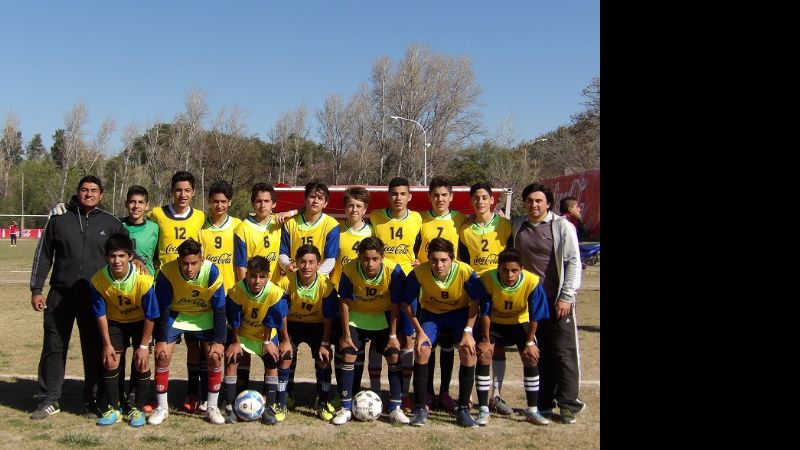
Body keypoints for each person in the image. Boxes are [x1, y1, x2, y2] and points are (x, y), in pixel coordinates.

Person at [29, 175, 131, 420]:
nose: (89, 194)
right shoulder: (59, 219)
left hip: (94, 296)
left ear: (101, 195)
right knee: (54, 347)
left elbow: (128, 251)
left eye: (94, 190)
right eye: (84, 190)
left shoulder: (111, 222)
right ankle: (49, 399)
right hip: (60, 295)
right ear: (78, 192)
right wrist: (36, 289)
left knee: (94, 348)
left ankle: (92, 399)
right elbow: (43, 256)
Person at [512, 183, 583, 424]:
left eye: (539, 201)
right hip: (532, 301)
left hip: (557, 299)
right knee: (539, 352)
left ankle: (568, 404)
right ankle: (543, 401)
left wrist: (567, 296)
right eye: (530, 200)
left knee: (563, 352)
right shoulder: (518, 225)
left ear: (548, 204)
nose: (534, 205)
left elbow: (573, 261)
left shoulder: (561, 226)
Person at [398, 238, 488, 428]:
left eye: (443, 260)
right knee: (422, 349)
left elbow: (476, 300)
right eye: (434, 260)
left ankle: (463, 409)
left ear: (452, 259)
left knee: (467, 349)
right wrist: (419, 331)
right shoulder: (419, 272)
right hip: (432, 314)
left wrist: (469, 331)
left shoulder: (464, 271)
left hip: (459, 313)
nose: (438, 265)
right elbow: (406, 302)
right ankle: (421, 408)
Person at [330, 237, 409, 425]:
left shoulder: (394, 270)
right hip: (357, 318)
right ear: (359, 257)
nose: (370, 263)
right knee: (348, 353)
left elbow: (396, 303)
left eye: (375, 259)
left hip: (382, 317)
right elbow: (345, 302)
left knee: (393, 354)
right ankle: (346, 408)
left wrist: (393, 335)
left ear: (382, 257)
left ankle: (395, 408)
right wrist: (346, 335)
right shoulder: (349, 270)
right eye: (365, 259)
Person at [148, 238, 227, 425]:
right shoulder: (167, 272)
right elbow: (164, 308)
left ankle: (212, 407)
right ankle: (162, 407)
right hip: (176, 314)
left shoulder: (212, 271)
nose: (189, 268)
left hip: (203, 314)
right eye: (185, 263)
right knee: (161, 355)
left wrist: (219, 341)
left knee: (215, 356)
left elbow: (220, 308)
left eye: (194, 263)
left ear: (202, 259)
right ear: (178, 261)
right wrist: (160, 339)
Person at [148, 171, 208, 414]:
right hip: (165, 293)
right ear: (171, 191)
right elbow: (132, 221)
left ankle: (193, 394)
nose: (182, 194)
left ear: (193, 192)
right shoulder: (157, 214)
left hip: (193, 295)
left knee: (195, 348)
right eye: (178, 190)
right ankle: (157, 396)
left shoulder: (201, 217)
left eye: (187, 190)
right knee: (163, 349)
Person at [277, 181, 340, 405]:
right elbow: (283, 252)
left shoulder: (331, 224)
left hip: (317, 289)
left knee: (323, 354)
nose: (315, 201)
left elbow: (331, 258)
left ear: (326, 202)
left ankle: (323, 397)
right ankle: (287, 395)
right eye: (311, 196)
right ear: (305, 199)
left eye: (320, 197)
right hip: (294, 285)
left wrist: (313, 275)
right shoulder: (291, 222)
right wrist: (290, 268)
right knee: (286, 352)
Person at [474, 248, 550, 426]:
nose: (510, 274)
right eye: (506, 270)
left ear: (521, 269)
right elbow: (484, 312)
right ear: (499, 268)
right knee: (484, 355)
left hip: (520, 322)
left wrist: (530, 342)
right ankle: (484, 409)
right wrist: (485, 340)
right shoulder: (487, 279)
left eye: (514, 270)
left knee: (531, 356)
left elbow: (535, 316)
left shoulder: (532, 282)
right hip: (494, 321)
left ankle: (532, 410)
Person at [90, 233, 159, 427]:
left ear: (130, 256)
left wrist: (144, 345)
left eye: (121, 256)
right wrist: (106, 344)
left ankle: (137, 408)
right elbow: (100, 314)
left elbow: (151, 315)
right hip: (115, 322)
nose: (117, 260)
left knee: (141, 361)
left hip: (140, 322)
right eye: (113, 256)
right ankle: (114, 408)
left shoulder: (143, 279)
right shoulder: (99, 280)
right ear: (106, 257)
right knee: (111, 360)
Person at [458, 182, 515, 415]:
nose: (480, 201)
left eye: (484, 197)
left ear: (492, 200)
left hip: (499, 291)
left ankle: (496, 395)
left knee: (496, 345)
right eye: (476, 198)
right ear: (471, 201)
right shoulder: (465, 229)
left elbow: (513, 258)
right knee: (472, 344)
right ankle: (470, 395)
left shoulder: (506, 225)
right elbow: (463, 261)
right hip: (474, 292)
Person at [414, 176, 467, 413]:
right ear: (430, 197)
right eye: (436, 195)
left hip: (454, 291)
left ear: (451, 197)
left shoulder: (461, 221)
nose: (440, 199)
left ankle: (444, 392)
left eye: (444, 195)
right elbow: (411, 249)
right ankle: (427, 393)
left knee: (448, 346)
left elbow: (465, 253)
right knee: (428, 345)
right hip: (428, 292)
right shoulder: (420, 220)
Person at [369, 177, 423, 409]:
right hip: (383, 284)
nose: (398, 198)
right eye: (394, 194)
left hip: (409, 283)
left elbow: (421, 247)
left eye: (403, 194)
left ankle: (403, 391)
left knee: (407, 336)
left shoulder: (418, 219)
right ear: (388, 196)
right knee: (378, 335)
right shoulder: (376, 218)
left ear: (409, 196)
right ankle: (373, 390)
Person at [223, 256, 290, 425]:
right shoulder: (236, 291)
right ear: (246, 274)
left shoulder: (275, 292)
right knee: (232, 359)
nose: (257, 281)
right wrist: (236, 342)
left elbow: (272, 319)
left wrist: (267, 342)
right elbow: (235, 320)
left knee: (272, 359)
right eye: (252, 276)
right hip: (243, 334)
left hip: (263, 335)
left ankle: (269, 407)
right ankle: (229, 405)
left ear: (267, 276)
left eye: (261, 276)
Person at [231, 183, 284, 397]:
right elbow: (241, 266)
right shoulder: (243, 228)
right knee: (244, 343)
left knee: (270, 345)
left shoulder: (281, 224)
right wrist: (250, 292)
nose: (262, 205)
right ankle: (241, 390)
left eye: (267, 201)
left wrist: (289, 212)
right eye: (258, 201)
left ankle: (270, 396)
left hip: (273, 294)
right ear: (253, 203)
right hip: (250, 292)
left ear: (274, 204)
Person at [277, 244, 339, 422]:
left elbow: (328, 317)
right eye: (302, 262)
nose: (307, 266)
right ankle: (283, 400)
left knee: (324, 358)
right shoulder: (286, 282)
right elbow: (281, 313)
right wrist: (284, 339)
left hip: (317, 326)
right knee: (286, 354)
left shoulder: (326, 285)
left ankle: (322, 400)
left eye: (311, 262)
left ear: (318, 264)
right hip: (293, 325)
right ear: (296, 263)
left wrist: (325, 344)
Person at [332, 187, 383, 396]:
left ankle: (374, 390)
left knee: (372, 348)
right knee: (345, 347)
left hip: (369, 300)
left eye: (359, 206)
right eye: (350, 205)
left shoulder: (373, 233)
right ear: (344, 207)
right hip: (339, 297)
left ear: (365, 209)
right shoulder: (336, 232)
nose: (354, 209)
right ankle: (345, 392)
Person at [199, 181, 242, 293]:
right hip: (208, 289)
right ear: (209, 201)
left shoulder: (238, 225)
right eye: (215, 201)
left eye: (223, 202)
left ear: (230, 202)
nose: (219, 206)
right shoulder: (201, 228)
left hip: (231, 289)